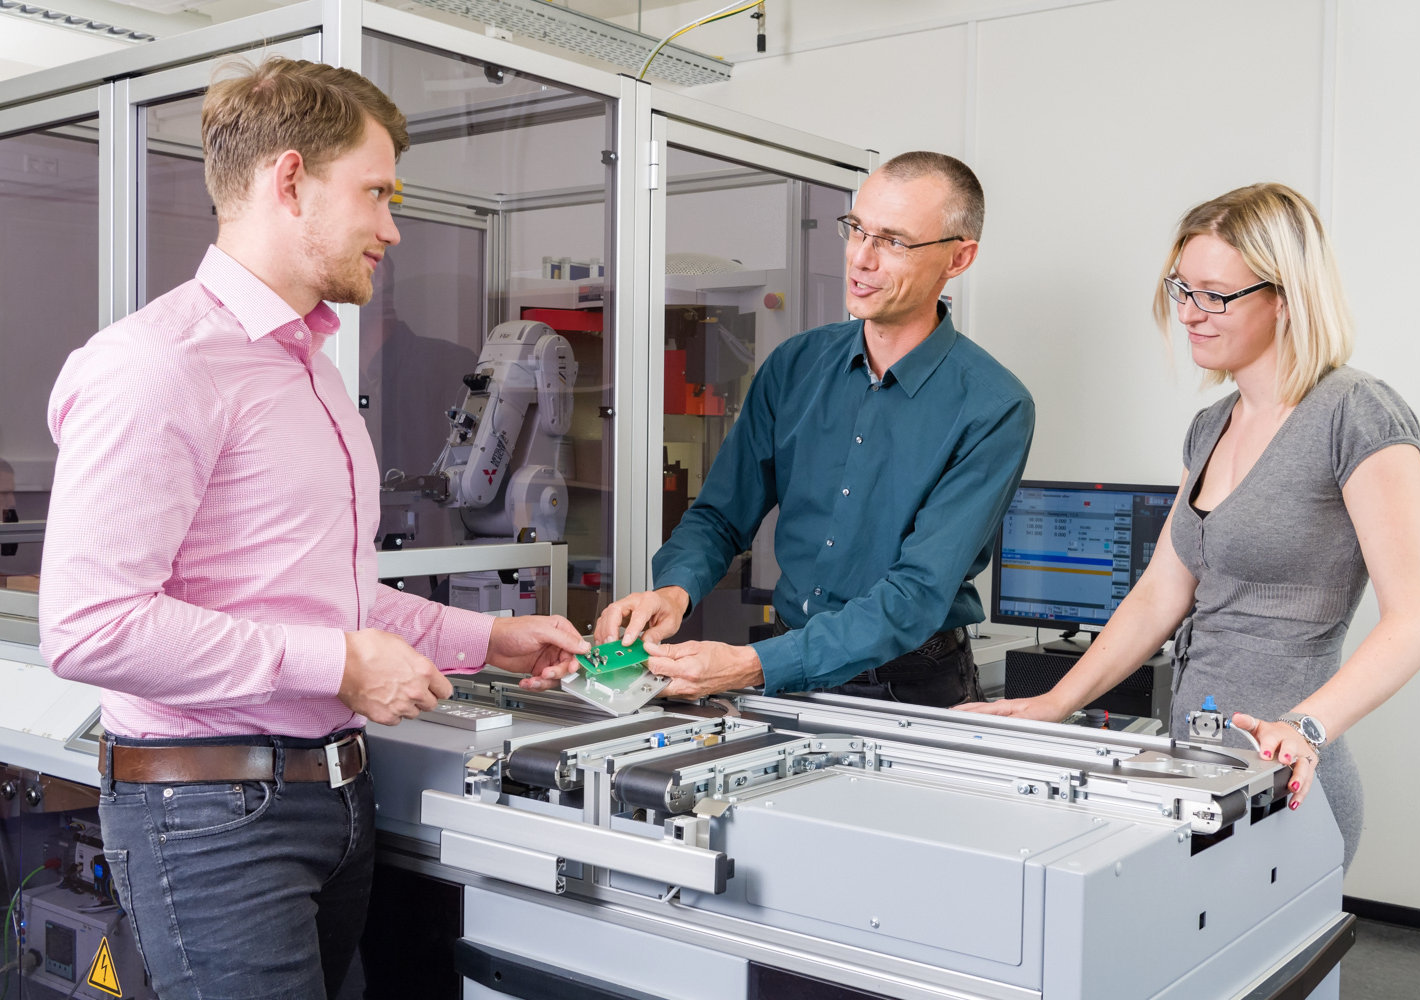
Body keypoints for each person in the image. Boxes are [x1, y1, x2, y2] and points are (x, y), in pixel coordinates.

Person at [38, 57, 590, 1000]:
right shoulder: (157, 365)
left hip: (330, 800)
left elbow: (331, 596)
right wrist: (335, 667)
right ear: (289, 179)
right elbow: (91, 626)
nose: (393, 228)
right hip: (208, 819)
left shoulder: (311, 367)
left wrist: (492, 640)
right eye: (375, 194)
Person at [956, 182, 1420, 870]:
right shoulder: (1210, 427)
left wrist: (1306, 726)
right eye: (1181, 290)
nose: (1188, 313)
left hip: (1284, 777)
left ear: (1285, 296)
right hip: (1194, 767)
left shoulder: (1356, 414)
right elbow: (1159, 595)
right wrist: (1054, 702)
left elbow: (1415, 617)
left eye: (1214, 295)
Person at [569, 152, 1035, 707]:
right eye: (856, 229)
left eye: (892, 241)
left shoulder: (993, 406)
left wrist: (752, 665)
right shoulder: (795, 366)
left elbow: (915, 595)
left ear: (958, 258)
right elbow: (720, 515)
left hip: (910, 686)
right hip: (786, 673)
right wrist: (675, 590)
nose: (860, 259)